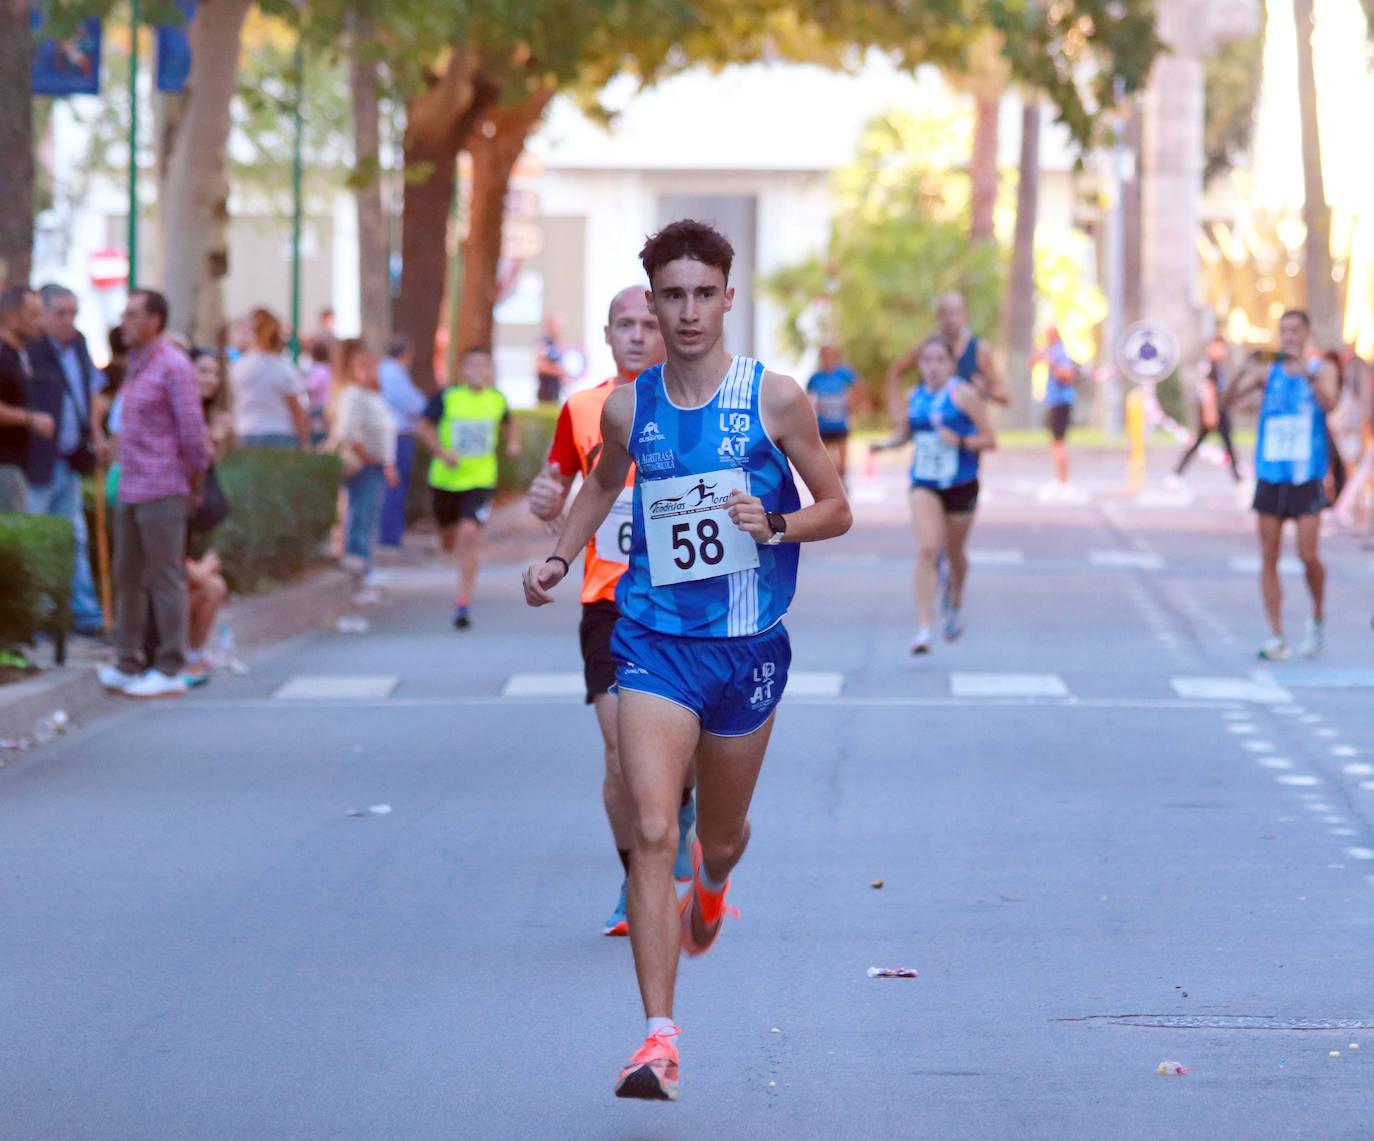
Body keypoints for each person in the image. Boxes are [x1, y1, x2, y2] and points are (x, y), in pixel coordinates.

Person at [521, 219, 851, 1101]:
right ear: (654, 302)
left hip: (744, 651)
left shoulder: (774, 399)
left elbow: (838, 506)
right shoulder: (631, 406)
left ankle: (714, 881)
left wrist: (776, 523)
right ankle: (658, 1039)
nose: (689, 311)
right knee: (652, 826)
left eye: (705, 293)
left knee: (720, 835)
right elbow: (600, 482)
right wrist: (560, 556)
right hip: (654, 642)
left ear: (728, 298)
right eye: (673, 295)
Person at [528, 284, 698, 938]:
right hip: (608, 599)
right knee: (620, 755)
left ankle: (679, 816)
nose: (635, 334)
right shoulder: (582, 408)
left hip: (683, 598)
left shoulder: (695, 404)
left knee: (675, 758)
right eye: (623, 324)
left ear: (666, 332)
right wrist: (544, 506)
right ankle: (638, 880)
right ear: (606, 334)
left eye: (645, 324)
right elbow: (554, 497)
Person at [98, 289, 210, 699]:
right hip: (130, 485)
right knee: (127, 574)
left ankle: (169, 664)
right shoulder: (137, 366)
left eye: (132, 314)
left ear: (154, 321)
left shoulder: (174, 367)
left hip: (163, 487)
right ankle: (128, 660)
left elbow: (192, 434)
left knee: (165, 577)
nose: (123, 321)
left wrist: (191, 482)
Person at [1220, 310, 1339, 660]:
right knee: (1268, 555)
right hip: (1271, 474)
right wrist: (1244, 367)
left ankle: (1317, 618)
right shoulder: (1265, 370)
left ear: (1307, 333)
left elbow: (1330, 403)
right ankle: (1276, 634)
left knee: (1308, 554)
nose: (1288, 337)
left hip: (1307, 474)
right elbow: (1227, 404)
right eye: (1284, 331)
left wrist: (1307, 374)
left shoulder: (1321, 369)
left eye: (1295, 331)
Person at [871, 336, 996, 653]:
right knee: (927, 548)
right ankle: (924, 628)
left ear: (952, 365)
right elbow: (904, 435)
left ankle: (954, 596)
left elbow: (990, 439)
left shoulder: (963, 395)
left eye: (941, 360)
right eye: (927, 360)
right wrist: (885, 446)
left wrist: (961, 441)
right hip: (924, 482)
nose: (933, 367)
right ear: (920, 366)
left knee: (955, 555)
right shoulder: (916, 396)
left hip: (961, 483)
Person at [416, 346, 520, 628]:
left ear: (490, 371)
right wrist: (441, 452)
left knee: (469, 532)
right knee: (448, 539)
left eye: (483, 365)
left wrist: (513, 443)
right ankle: (448, 541)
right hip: (445, 480)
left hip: (480, 480)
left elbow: (510, 423)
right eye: (471, 365)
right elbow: (423, 426)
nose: (477, 370)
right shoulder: (448, 397)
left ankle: (463, 602)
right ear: (462, 370)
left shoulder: (496, 399)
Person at [24, 285, 104, 634]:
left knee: (75, 536)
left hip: (70, 459)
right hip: (37, 462)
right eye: (61, 313)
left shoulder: (79, 345)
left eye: (73, 313)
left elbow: (91, 393)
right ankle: (39, 615)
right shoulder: (31, 350)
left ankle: (82, 612)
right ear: (42, 314)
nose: (68, 321)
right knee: (39, 536)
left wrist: (96, 436)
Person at [330, 338, 399, 583]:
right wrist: (369, 457)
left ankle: (363, 565)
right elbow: (348, 432)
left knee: (368, 514)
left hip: (375, 464)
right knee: (361, 513)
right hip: (364, 465)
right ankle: (357, 565)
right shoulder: (353, 394)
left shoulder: (369, 394)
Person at [0, 287, 54, 513]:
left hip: (19, 465)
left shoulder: (20, 355)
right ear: (12, 318)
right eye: (34, 315)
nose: (41, 322)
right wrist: (31, 419)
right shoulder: (3, 356)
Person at [229, 307, 309, 448]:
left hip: (246, 433)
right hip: (279, 435)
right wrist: (304, 442)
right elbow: (296, 408)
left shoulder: (238, 367)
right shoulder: (282, 368)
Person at [377, 334, 427, 548]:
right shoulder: (393, 373)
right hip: (398, 434)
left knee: (393, 485)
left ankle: (390, 533)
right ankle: (390, 535)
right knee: (395, 484)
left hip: (394, 433)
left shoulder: (385, 371)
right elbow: (413, 403)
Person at [1175, 333, 1241, 481]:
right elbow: (1208, 390)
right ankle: (1176, 473)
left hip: (1218, 410)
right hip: (1214, 411)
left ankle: (1238, 478)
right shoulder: (1211, 366)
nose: (1223, 351)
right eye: (1219, 348)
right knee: (1221, 444)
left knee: (1225, 444)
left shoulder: (1216, 366)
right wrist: (1210, 413)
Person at [806, 345, 858, 482]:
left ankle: (843, 483)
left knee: (842, 458)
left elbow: (858, 387)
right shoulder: (815, 378)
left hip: (840, 422)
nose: (827, 359)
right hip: (824, 424)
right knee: (826, 459)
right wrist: (815, 406)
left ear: (835, 357)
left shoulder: (844, 374)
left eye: (830, 355)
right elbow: (808, 397)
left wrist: (852, 403)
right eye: (824, 356)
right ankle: (830, 484)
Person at [1039, 324, 1079, 485]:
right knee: (1055, 443)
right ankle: (1060, 479)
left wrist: (1051, 363)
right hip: (1054, 401)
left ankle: (1063, 481)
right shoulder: (1051, 350)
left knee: (1058, 442)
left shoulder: (1059, 352)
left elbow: (1068, 375)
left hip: (1061, 402)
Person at [303, 338, 333, 444]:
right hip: (327, 404)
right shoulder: (329, 368)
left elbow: (312, 388)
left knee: (315, 433)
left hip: (318, 405)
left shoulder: (318, 369)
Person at [535, 313, 568, 405]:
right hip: (546, 393)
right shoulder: (543, 341)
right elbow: (539, 366)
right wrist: (559, 372)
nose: (558, 329)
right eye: (556, 326)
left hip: (556, 391)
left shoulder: (555, 343)